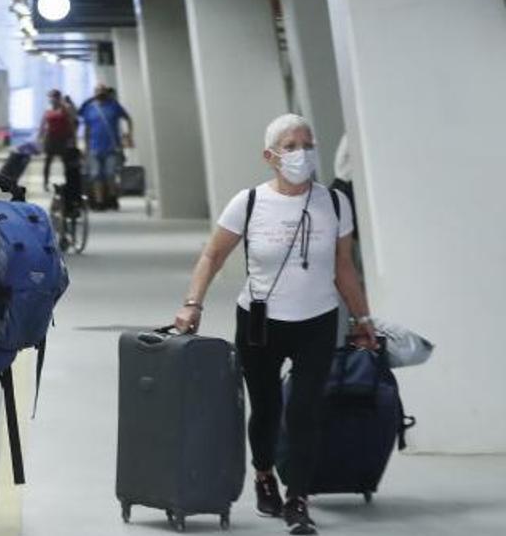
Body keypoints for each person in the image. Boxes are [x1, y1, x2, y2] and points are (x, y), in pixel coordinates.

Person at [173, 114, 378, 536]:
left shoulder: (335, 203)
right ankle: (264, 472)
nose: (302, 152)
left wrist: (362, 318)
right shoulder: (248, 203)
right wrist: (193, 303)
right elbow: (212, 256)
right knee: (267, 409)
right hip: (260, 322)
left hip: (317, 321)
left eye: (308, 143)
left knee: (306, 411)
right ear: (271, 157)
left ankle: (297, 498)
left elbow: (343, 267)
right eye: (290, 146)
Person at [77, 83, 132, 210]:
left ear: (107, 92)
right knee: (96, 175)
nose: (100, 93)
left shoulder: (114, 106)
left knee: (110, 174)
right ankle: (99, 201)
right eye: (98, 91)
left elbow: (127, 118)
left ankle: (112, 198)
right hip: (94, 147)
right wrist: (85, 147)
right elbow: (87, 128)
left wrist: (129, 136)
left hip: (111, 148)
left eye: (103, 91)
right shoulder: (89, 108)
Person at [37, 89, 76, 187]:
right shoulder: (48, 110)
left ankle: (69, 182)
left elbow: (71, 124)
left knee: (66, 162)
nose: (51, 99)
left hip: (63, 139)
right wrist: (40, 138)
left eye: (54, 97)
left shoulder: (65, 109)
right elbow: (42, 124)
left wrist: (72, 139)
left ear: (58, 98)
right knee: (48, 161)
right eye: (50, 97)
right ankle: (45, 182)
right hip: (50, 139)